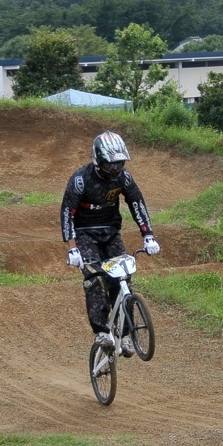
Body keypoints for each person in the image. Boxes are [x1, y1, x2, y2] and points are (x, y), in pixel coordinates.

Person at [61, 131, 160, 358]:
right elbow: (67, 212)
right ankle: (101, 331)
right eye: (110, 165)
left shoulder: (124, 178)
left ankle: (126, 335)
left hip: (111, 233)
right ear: (98, 161)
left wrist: (148, 235)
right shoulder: (80, 180)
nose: (116, 170)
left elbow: (137, 203)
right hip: (85, 235)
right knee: (95, 279)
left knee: (122, 279)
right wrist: (72, 248)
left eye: (119, 164)